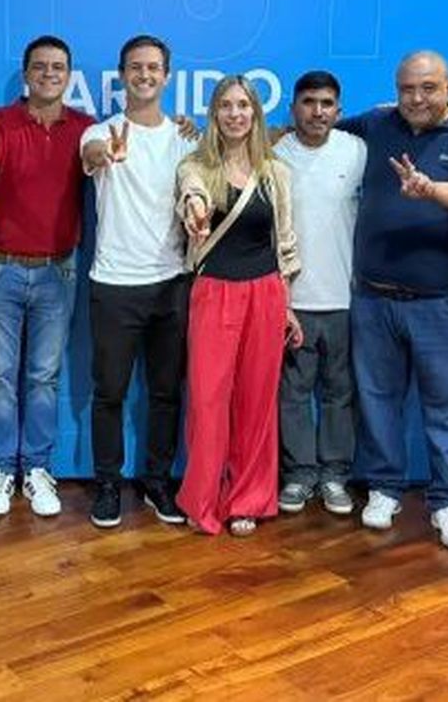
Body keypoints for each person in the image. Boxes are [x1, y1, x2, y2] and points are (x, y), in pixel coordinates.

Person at [340, 51, 448, 550]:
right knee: (377, 399)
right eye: (407, 89)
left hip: (442, 301)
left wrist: (434, 191)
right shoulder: (377, 123)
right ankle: (384, 488)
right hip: (374, 298)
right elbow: (315, 131)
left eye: (428, 88)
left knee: (447, 405)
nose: (416, 98)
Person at [0, 36, 94, 517]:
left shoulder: (84, 128)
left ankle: (37, 469)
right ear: (26, 74)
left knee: (43, 378)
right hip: (1, 267)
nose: (48, 74)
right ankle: (2, 468)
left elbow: (104, 156)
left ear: (68, 75)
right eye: (40, 67)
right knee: (0, 377)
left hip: (57, 271)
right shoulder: (0, 122)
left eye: (58, 67)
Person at [175, 75, 301, 536]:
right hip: (214, 292)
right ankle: (203, 499)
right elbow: (191, 195)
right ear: (214, 114)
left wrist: (287, 306)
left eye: (243, 105)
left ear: (255, 112)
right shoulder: (195, 165)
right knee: (208, 400)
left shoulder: (276, 172)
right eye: (226, 106)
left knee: (256, 400)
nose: (235, 114)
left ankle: (247, 498)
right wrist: (195, 211)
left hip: (265, 294)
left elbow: (284, 243)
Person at [79, 34, 194, 528]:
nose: (144, 75)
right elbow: (91, 156)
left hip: (173, 281)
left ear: (166, 76)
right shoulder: (98, 132)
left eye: (153, 68)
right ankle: (108, 483)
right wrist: (104, 153)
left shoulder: (187, 138)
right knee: (109, 392)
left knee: (166, 392)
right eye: (135, 67)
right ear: (122, 75)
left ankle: (157, 481)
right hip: (114, 284)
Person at [273, 71, 366, 516]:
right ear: (293, 108)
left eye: (326, 103)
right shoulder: (274, 155)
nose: (317, 111)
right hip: (292, 301)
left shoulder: (357, 150)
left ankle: (334, 475)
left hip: (345, 299)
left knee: (339, 393)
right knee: (293, 394)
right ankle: (299, 475)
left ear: (339, 110)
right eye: (309, 102)